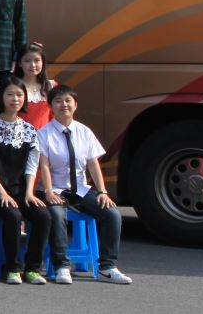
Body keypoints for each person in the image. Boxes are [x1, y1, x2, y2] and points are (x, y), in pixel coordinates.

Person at [37, 85, 131, 285]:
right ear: (50, 106)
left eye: (68, 100)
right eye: (58, 101)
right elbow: (43, 166)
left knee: (112, 214)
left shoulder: (84, 131)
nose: (64, 105)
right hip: (54, 188)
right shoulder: (43, 134)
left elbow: (93, 164)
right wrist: (48, 191)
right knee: (57, 215)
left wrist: (103, 191)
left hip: (79, 189)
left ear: (76, 105)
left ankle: (107, 267)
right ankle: (62, 266)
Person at [0, 79, 51, 285]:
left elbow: (32, 166)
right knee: (13, 216)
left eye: (19, 95)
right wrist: (2, 192)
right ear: (1, 97)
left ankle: (32, 268)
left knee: (43, 216)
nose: (15, 99)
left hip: (21, 190)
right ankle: (13, 268)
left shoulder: (29, 129)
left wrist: (29, 192)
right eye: (10, 94)